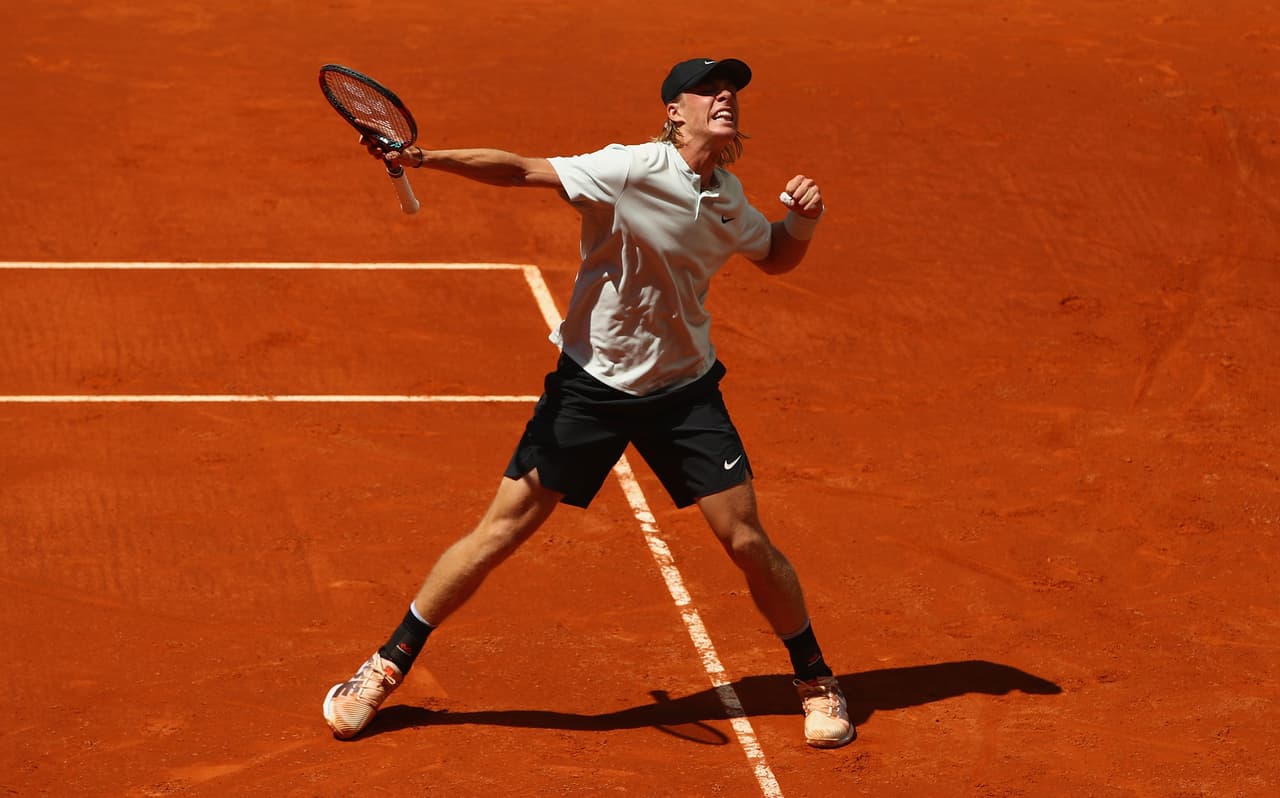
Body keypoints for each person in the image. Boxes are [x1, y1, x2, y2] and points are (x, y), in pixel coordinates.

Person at [323, 57, 853, 749]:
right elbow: (519, 169)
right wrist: (424, 157)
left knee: (747, 539)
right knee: (499, 531)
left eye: (732, 91)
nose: (725, 97)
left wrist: (802, 221)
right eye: (709, 90)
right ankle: (385, 668)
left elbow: (776, 255)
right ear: (674, 112)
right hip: (591, 389)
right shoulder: (628, 169)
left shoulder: (728, 196)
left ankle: (816, 680)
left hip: (682, 392)